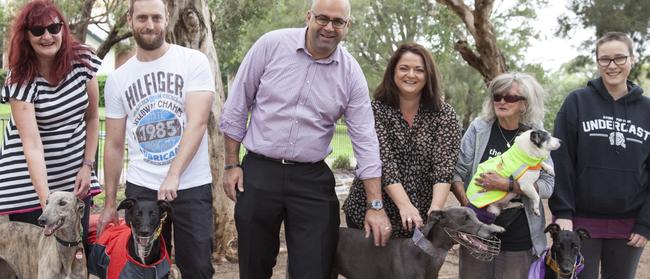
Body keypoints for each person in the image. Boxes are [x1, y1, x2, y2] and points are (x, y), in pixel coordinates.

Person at [219, 0, 391, 277]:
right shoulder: (270, 45)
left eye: (338, 22)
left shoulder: (351, 73)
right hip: (260, 172)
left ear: (348, 26)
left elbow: (366, 141)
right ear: (308, 16)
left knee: (314, 269)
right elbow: (237, 106)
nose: (329, 27)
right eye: (322, 18)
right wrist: (231, 164)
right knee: (253, 265)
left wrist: (376, 205)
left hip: (311, 179)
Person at [97, 0, 215, 277]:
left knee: (197, 268)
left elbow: (197, 122)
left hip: (190, 184)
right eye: (142, 18)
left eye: (156, 18)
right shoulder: (118, 79)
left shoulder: (193, 61)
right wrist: (110, 203)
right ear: (130, 20)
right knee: (141, 269)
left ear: (166, 18)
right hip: (142, 188)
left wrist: (174, 174)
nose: (149, 25)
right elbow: (113, 146)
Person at [0, 0, 101, 251]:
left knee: (76, 255)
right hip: (28, 184)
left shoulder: (83, 61)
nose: (47, 36)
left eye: (54, 28)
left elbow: (91, 117)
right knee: (37, 262)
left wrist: (87, 166)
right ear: (26, 36)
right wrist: (48, 203)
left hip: (74, 176)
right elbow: (31, 144)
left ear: (63, 30)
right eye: (38, 30)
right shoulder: (21, 78)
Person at [550, 32, 650, 279]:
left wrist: (646, 222)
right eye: (605, 59)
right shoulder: (577, 102)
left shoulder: (647, 109)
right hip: (581, 221)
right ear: (597, 62)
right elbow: (561, 161)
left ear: (632, 59)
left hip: (629, 223)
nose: (612, 65)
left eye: (619, 58)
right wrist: (562, 211)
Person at [343, 42, 461, 238]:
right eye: (404, 68)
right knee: (375, 269)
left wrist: (436, 209)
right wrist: (405, 206)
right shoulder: (376, 110)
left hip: (420, 219)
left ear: (428, 75)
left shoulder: (444, 114)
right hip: (375, 212)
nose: (411, 75)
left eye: (419, 70)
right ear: (393, 72)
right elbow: (384, 163)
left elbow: (444, 168)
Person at [451, 72, 553, 279]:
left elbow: (548, 184)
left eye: (511, 97)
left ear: (525, 104)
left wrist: (508, 185)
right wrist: (471, 209)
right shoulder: (479, 129)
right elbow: (457, 172)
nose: (502, 101)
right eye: (497, 96)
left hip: (519, 231)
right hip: (477, 229)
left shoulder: (536, 135)